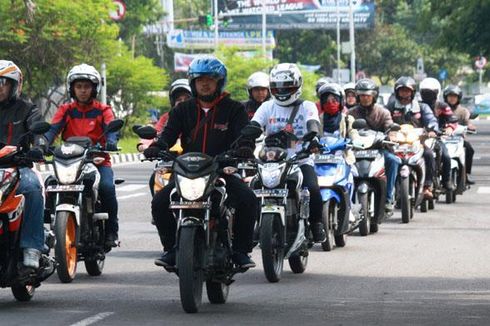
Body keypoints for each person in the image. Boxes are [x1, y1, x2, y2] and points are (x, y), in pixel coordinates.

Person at [144, 56, 258, 268]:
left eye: (210, 79)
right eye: (199, 79)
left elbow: (245, 136)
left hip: (221, 170)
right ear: (193, 83)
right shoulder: (182, 109)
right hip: (188, 171)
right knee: (160, 202)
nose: (204, 83)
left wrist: (244, 148)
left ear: (219, 82)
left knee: (248, 199)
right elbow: (168, 135)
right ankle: (170, 249)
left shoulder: (234, 109)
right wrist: (157, 147)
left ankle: (241, 251)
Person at [44, 63, 120, 247]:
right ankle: (46, 229)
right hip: (69, 161)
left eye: (87, 87)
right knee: (49, 184)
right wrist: (43, 143)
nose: (83, 91)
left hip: (97, 160)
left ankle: (111, 230)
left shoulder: (103, 110)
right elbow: (52, 129)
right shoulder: (66, 110)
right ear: (72, 89)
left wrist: (111, 141)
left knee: (107, 187)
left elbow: (112, 129)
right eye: (79, 87)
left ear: (94, 88)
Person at [251, 63, 326, 242]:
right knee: (252, 189)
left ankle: (316, 224)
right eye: (277, 88)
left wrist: (313, 137)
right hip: (270, 162)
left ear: (297, 85)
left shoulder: (307, 106)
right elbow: (254, 125)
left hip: (299, 160)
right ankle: (254, 225)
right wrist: (244, 138)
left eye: (288, 87)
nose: (283, 91)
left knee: (313, 189)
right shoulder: (266, 107)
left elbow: (313, 123)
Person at [0, 60, 45, 269]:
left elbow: (39, 133)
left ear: (15, 85)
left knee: (32, 188)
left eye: (3, 82)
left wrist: (39, 147)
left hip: (19, 166)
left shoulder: (27, 109)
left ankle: (31, 248)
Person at [386, 76, 448, 199]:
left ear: (413, 92)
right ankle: (388, 190)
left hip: (417, 142)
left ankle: (427, 186)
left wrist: (432, 130)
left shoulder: (422, 107)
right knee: (387, 159)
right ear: (397, 91)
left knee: (429, 154)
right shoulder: (391, 106)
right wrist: (387, 132)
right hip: (396, 143)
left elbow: (431, 120)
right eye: (402, 90)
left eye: (407, 90)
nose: (404, 93)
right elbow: (385, 121)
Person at [347, 78, 399, 213]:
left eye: (368, 95)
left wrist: (391, 136)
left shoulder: (383, 112)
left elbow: (390, 127)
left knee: (393, 160)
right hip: (356, 151)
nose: (365, 98)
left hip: (378, 150)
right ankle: (346, 202)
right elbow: (345, 130)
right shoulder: (350, 113)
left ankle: (388, 198)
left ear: (374, 96)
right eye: (362, 95)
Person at [137, 79, 192, 197]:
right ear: (173, 101)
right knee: (156, 184)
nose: (182, 102)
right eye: (179, 99)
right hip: (171, 159)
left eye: (186, 98)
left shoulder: (200, 116)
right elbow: (157, 132)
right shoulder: (167, 117)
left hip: (196, 161)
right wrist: (146, 145)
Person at [443, 85, 476, 184]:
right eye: (450, 96)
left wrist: (470, 126)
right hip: (443, 138)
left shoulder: (463, 111)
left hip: (458, 139)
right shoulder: (441, 109)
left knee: (469, 149)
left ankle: (466, 174)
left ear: (458, 98)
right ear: (446, 97)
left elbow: (467, 122)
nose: (452, 98)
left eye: (454, 96)